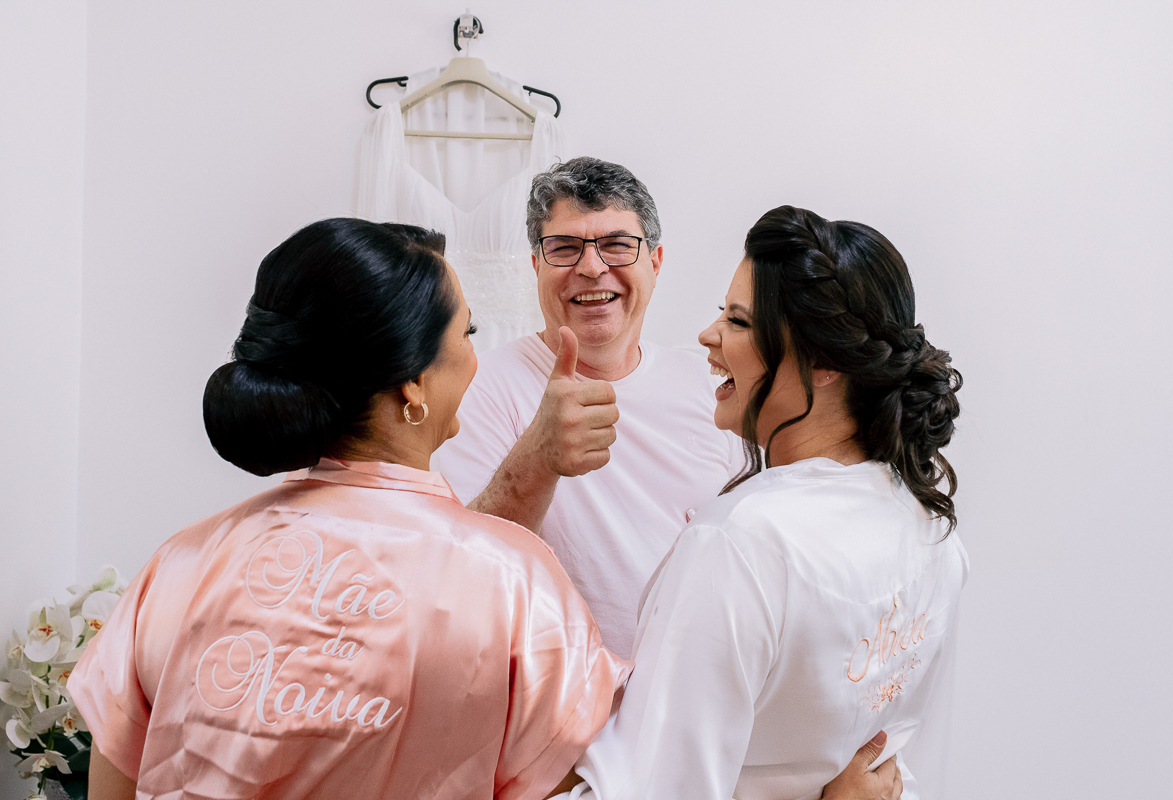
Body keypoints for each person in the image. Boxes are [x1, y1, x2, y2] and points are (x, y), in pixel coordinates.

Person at [68, 219, 631, 800]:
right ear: (413, 383)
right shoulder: (519, 585)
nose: (475, 359)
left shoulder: (179, 568)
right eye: (467, 333)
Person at [564, 206, 968, 800]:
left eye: (738, 321)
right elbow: (902, 774)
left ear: (823, 362)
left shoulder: (741, 542)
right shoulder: (932, 530)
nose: (708, 336)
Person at [435, 157, 743, 661]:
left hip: (698, 689)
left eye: (617, 244)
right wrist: (538, 457)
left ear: (655, 262)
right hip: (562, 701)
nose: (592, 267)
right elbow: (461, 577)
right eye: (564, 247)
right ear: (536, 265)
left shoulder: (711, 385)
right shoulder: (479, 387)